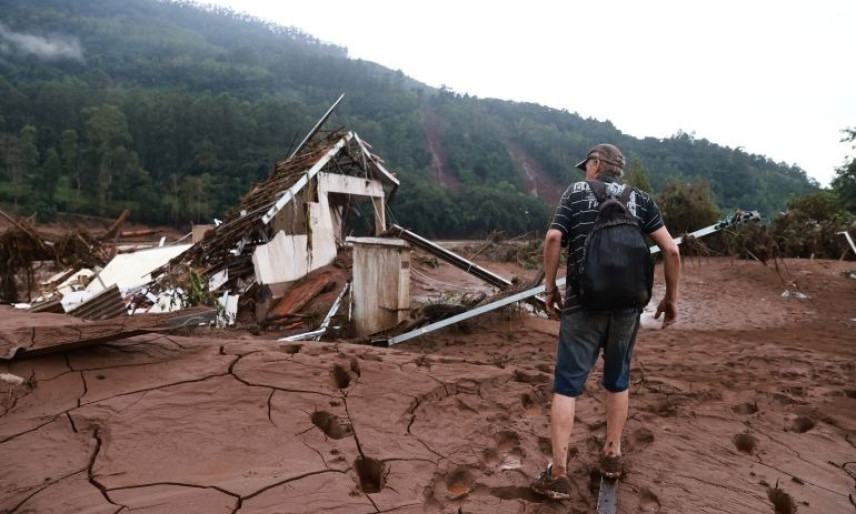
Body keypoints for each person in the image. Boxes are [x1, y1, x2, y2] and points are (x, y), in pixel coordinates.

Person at [530, 143, 681, 500]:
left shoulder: (576, 194)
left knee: (567, 386)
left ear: (597, 165)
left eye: (588, 165)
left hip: (584, 304)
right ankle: (612, 456)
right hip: (628, 307)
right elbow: (672, 250)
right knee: (618, 380)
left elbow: (553, 238)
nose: (586, 170)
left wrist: (550, 288)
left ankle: (559, 473)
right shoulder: (641, 200)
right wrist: (669, 299)